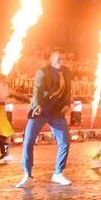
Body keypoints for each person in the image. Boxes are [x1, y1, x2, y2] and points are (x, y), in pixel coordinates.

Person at [17, 48, 73, 188]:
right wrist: (37, 106)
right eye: (58, 59)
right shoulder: (43, 72)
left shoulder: (66, 71)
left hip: (57, 112)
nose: (61, 62)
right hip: (40, 111)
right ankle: (27, 175)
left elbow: (68, 90)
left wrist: (67, 104)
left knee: (65, 142)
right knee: (28, 141)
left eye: (63, 59)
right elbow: (38, 90)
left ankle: (58, 173)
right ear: (51, 59)